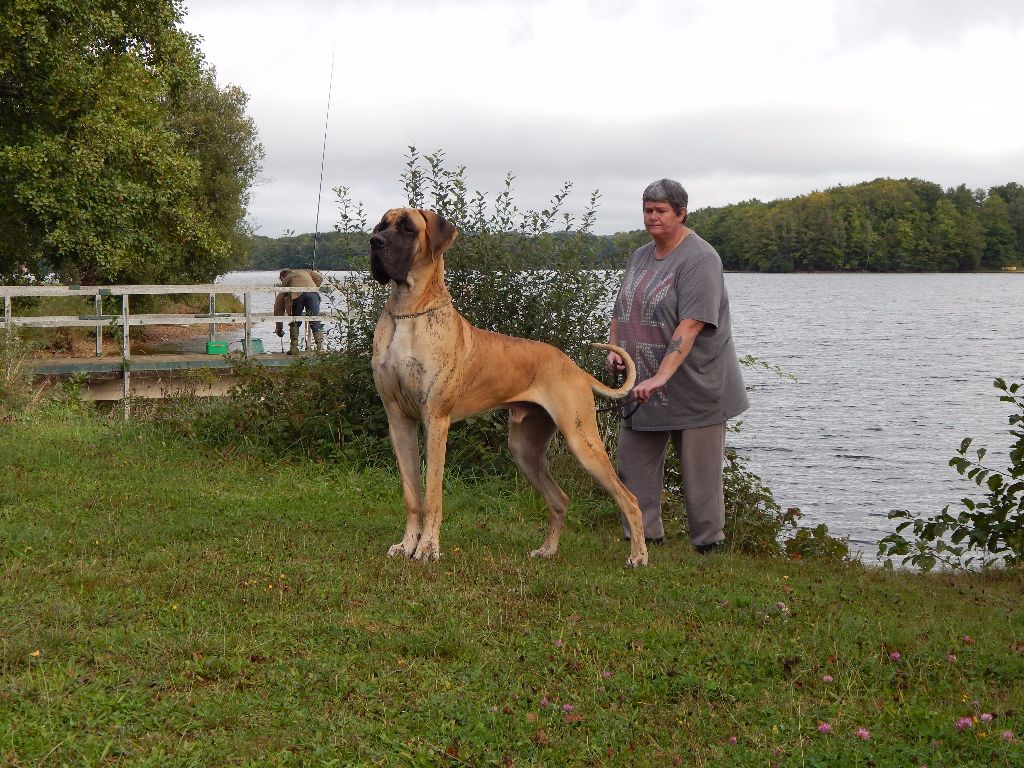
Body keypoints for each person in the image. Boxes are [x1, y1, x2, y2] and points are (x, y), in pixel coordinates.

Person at [606, 179, 748, 553]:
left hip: (697, 387)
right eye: (648, 210)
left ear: (681, 213)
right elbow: (621, 310)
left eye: (661, 211)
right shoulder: (639, 256)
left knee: (701, 479)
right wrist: (616, 349)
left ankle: (708, 548)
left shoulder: (700, 258)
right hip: (641, 387)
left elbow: (693, 323)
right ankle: (643, 537)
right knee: (632, 465)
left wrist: (663, 376)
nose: (652, 217)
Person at [274, 268, 325, 354]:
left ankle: (294, 348)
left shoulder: (286, 279)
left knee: (295, 321)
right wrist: (313, 287)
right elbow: (319, 278)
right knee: (315, 320)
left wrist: (279, 328)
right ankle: (320, 348)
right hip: (312, 293)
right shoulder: (305, 271)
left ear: (282, 277)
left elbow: (279, 306)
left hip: (297, 295)